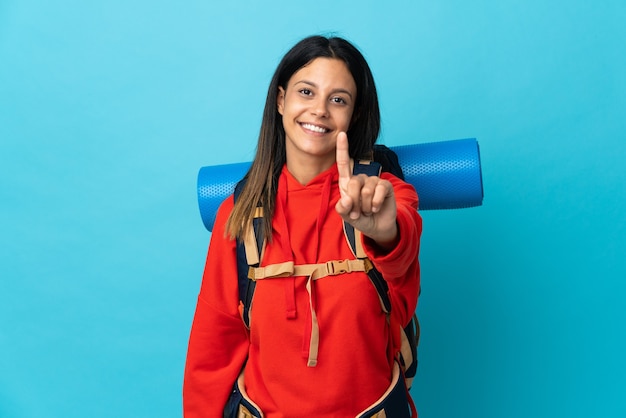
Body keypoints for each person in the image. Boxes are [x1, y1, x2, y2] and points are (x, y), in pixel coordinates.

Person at [183, 35, 422, 417]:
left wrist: (383, 232)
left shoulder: (383, 196)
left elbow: (403, 258)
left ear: (355, 114)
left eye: (338, 99)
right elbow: (212, 353)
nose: (320, 110)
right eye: (306, 92)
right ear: (281, 101)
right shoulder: (239, 214)